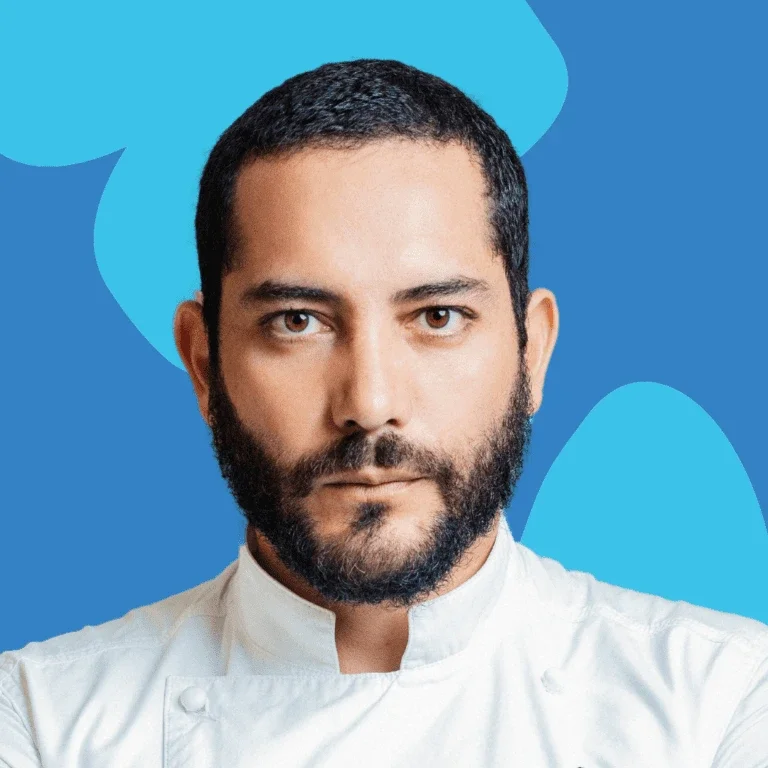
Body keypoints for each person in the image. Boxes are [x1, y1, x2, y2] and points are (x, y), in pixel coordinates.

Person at [1, 58, 766, 767]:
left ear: (531, 354)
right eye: (297, 321)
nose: (369, 405)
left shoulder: (722, 704)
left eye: (437, 317)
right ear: (206, 364)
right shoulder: (41, 721)